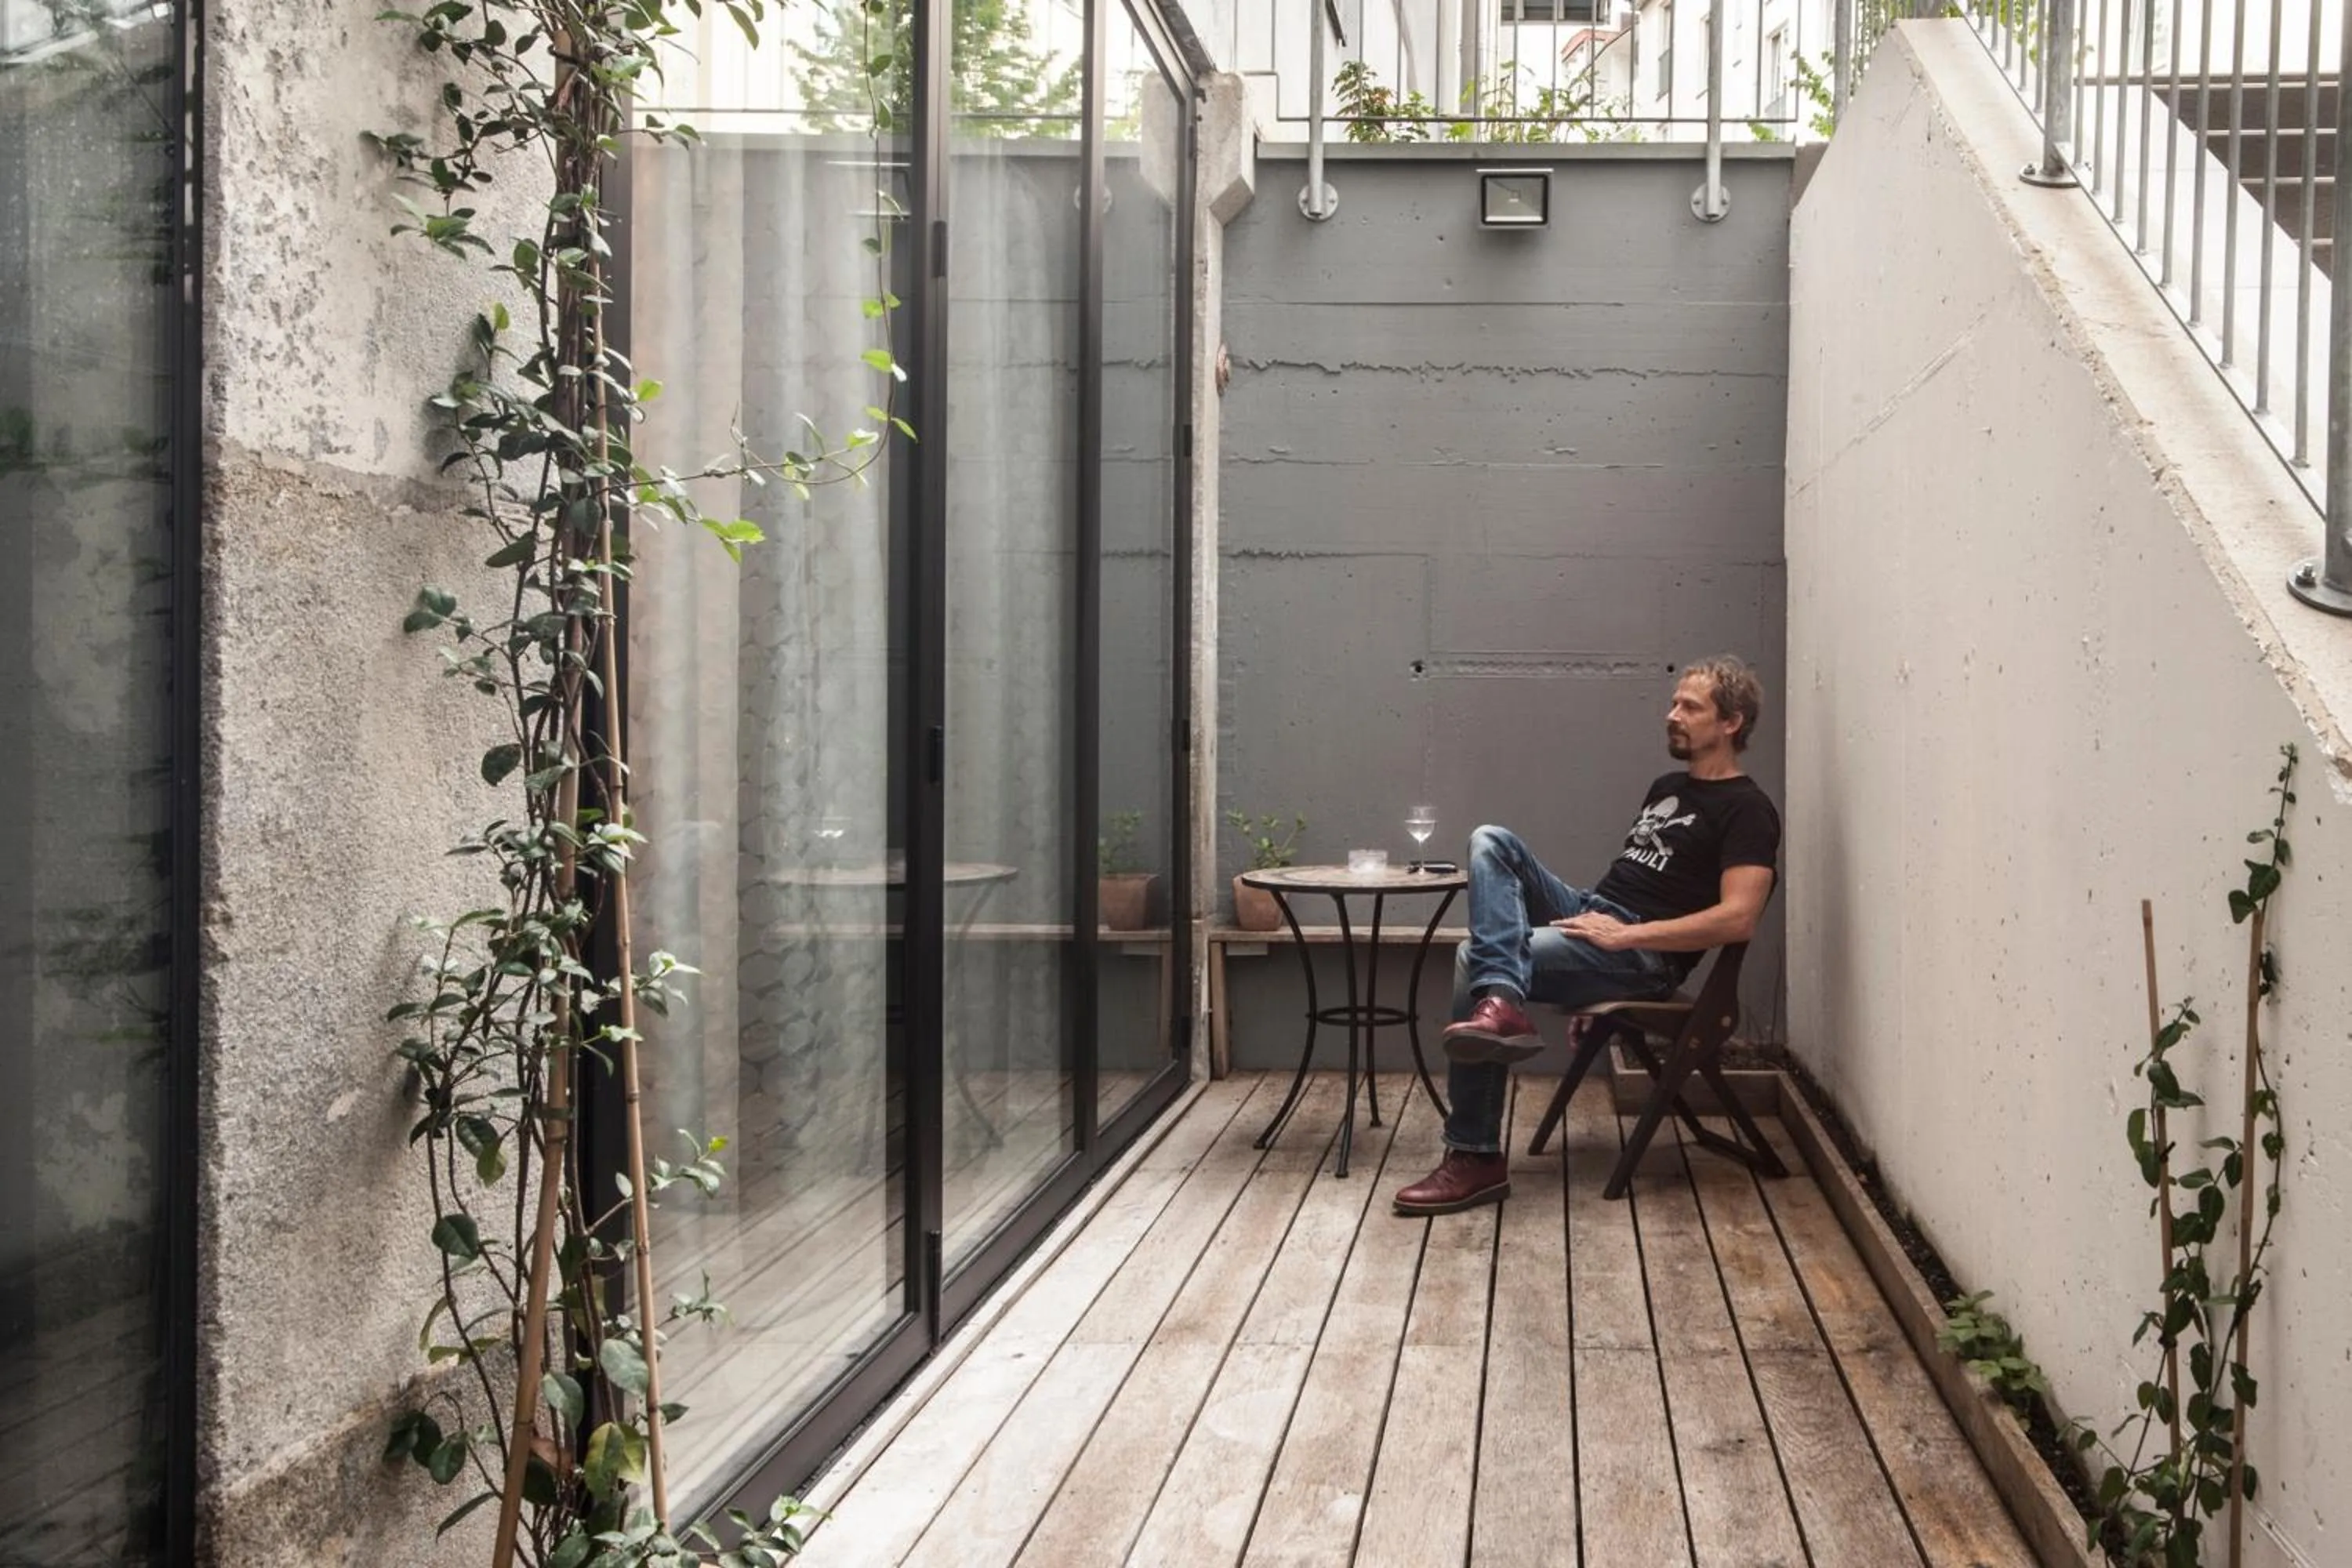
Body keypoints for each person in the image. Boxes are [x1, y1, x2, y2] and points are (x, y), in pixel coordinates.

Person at [1391, 655, 1780, 1217]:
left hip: (1644, 955)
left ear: (1731, 723)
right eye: (1673, 703)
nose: (1672, 715)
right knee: (1490, 840)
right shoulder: (1667, 786)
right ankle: (1503, 1001)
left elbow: (1739, 918)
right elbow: (1635, 878)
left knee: (1473, 955)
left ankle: (1474, 1157)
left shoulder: (1749, 810)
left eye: (1690, 707)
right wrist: (1585, 964)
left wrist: (1626, 939)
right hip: (1597, 916)